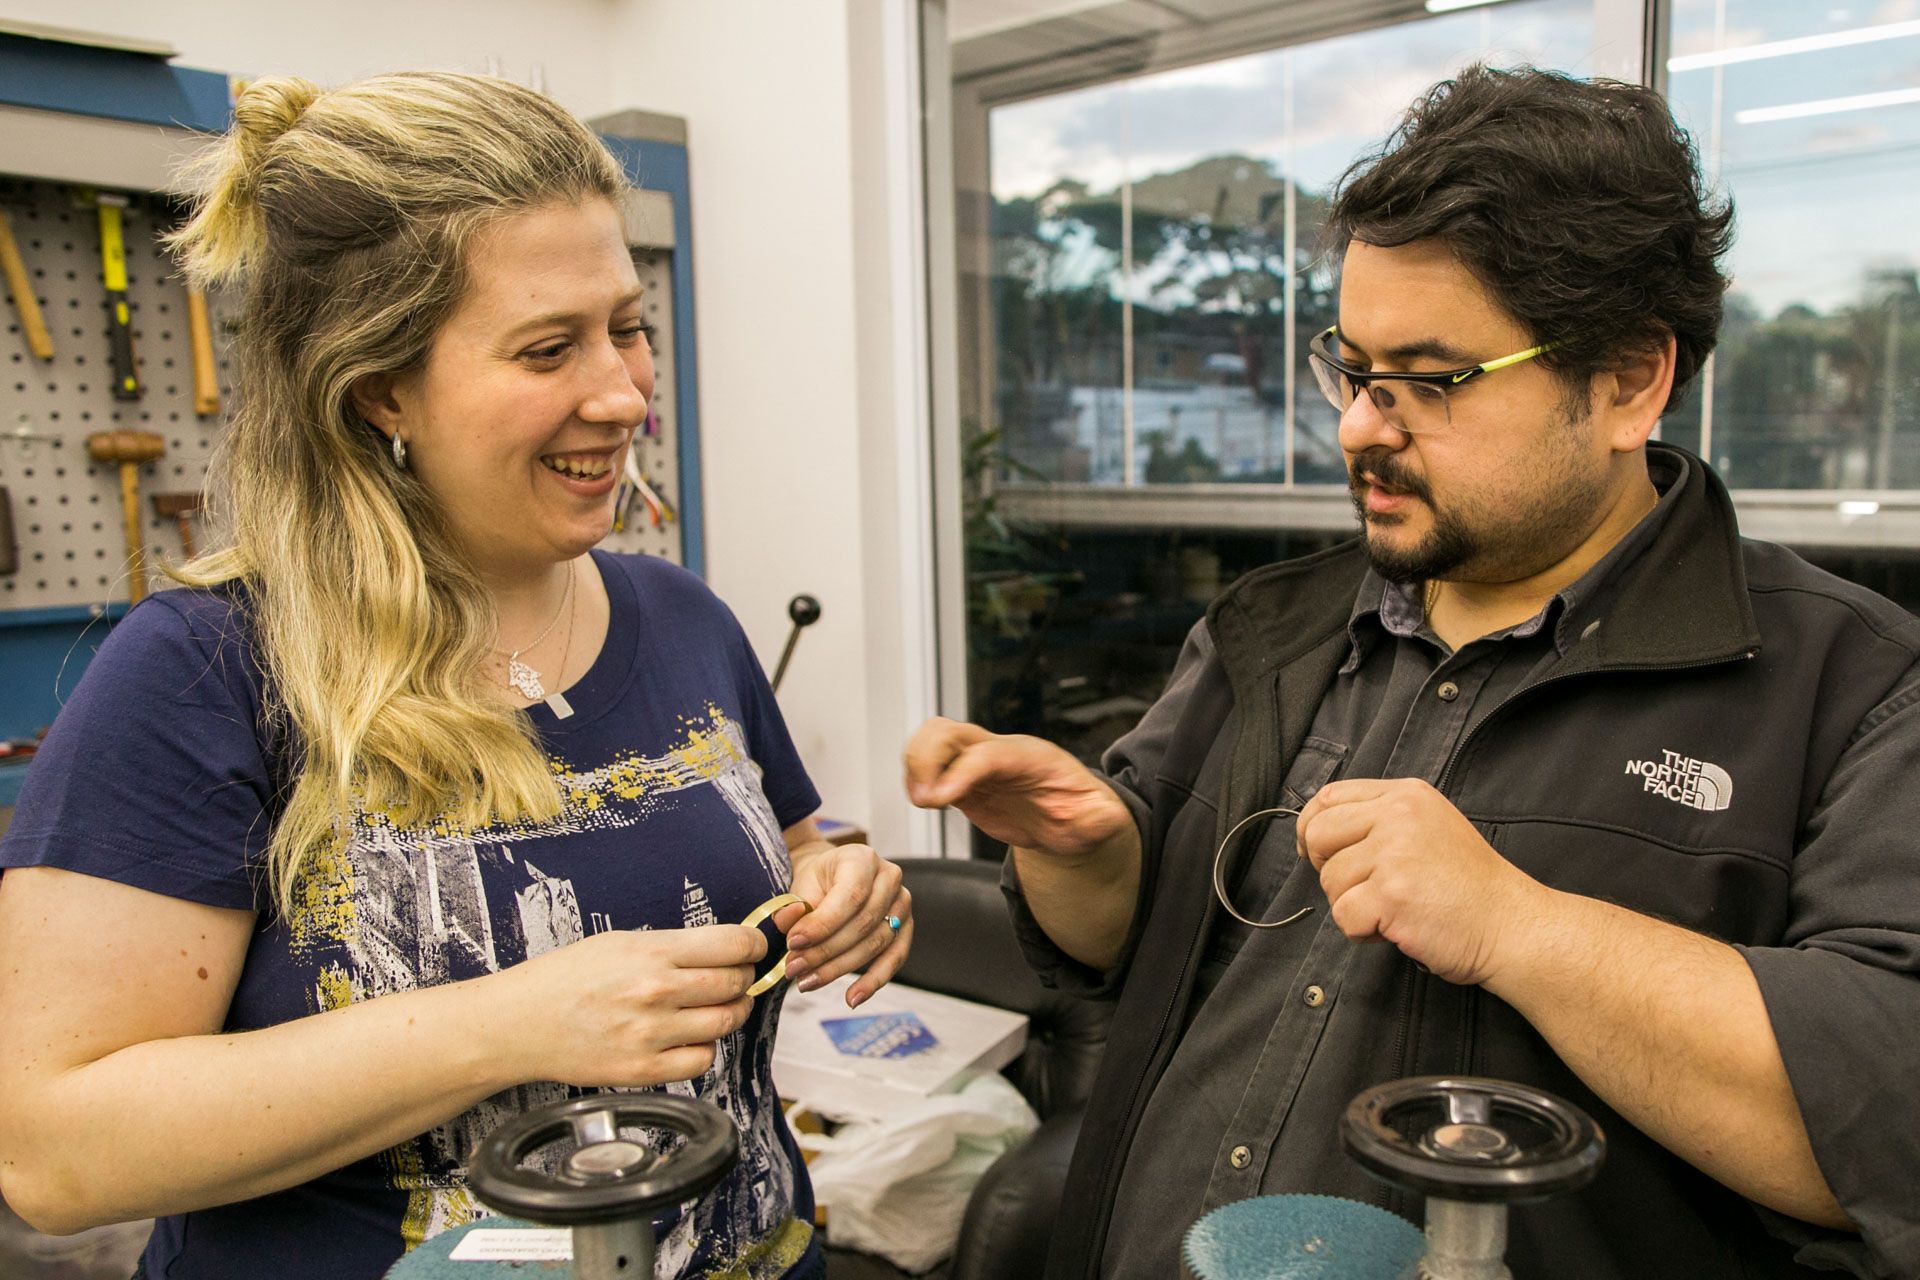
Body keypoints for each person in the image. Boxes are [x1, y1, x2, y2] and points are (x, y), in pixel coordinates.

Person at [907, 64, 1920, 1280]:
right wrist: (1086, 855)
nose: (1358, 427)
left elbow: (1886, 1125)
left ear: (1627, 380)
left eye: (1429, 383)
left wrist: (1519, 926)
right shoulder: (1271, 631)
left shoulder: (1854, 689)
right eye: (1352, 368)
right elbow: (1117, 953)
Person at [0, 72, 912, 1280]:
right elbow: (56, 1151)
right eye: (549, 348)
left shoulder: (683, 615)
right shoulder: (204, 672)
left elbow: (794, 848)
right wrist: (508, 1024)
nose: (624, 392)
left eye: (627, 325)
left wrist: (843, 881)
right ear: (380, 387)